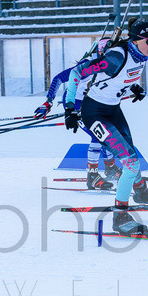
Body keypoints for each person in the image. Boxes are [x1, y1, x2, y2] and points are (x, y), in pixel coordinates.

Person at [68, 17, 148, 236]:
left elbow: (121, 78)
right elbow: (76, 73)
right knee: (130, 163)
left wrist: (134, 89)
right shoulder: (116, 57)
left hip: (113, 110)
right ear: (136, 40)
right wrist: (69, 108)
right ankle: (120, 217)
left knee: (131, 154)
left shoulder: (140, 54)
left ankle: (141, 192)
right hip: (94, 113)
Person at [34, 38, 122, 190]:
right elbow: (58, 78)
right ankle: (92, 176)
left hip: (92, 102)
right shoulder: (87, 64)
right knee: (98, 135)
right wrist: (48, 102)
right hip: (75, 104)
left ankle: (110, 168)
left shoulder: (112, 65)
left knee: (108, 133)